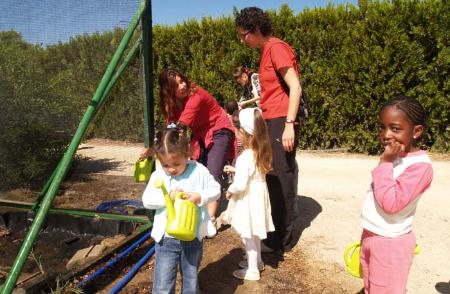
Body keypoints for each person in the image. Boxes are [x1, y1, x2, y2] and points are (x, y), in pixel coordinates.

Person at [235, 7, 302, 252]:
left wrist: (288, 125)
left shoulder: (276, 48)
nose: (242, 40)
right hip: (272, 119)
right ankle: (274, 236)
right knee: (272, 175)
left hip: (282, 120)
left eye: (244, 35)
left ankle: (281, 241)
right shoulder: (265, 52)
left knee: (282, 177)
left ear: (256, 30)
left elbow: (295, 87)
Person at [360, 96, 433, 293]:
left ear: (416, 131)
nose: (386, 134)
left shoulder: (420, 166)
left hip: (391, 244)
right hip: (372, 235)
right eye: (382, 127)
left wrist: (385, 162)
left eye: (395, 128)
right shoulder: (397, 156)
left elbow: (391, 204)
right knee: (370, 287)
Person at [142, 128, 220, 293]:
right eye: (165, 165)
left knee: (190, 279)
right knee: (163, 282)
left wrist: (200, 196)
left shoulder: (199, 171)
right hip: (166, 239)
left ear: (187, 154)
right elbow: (147, 200)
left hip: (192, 237)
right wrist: (168, 196)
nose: (171, 169)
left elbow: (216, 190)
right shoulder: (158, 176)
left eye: (176, 164)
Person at [156, 68, 235, 228]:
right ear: (168, 90)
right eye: (176, 85)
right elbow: (171, 125)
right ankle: (198, 209)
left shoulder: (195, 94)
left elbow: (181, 126)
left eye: (182, 81)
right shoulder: (171, 103)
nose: (182, 86)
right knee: (197, 171)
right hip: (200, 134)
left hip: (218, 129)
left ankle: (210, 220)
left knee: (212, 172)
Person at [223, 107, 275, 281]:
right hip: (258, 197)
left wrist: (230, 191)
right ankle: (258, 262)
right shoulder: (260, 152)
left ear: (245, 132)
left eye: (238, 130)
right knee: (255, 233)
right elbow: (251, 173)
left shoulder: (245, 156)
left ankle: (252, 270)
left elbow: (241, 184)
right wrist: (236, 169)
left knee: (248, 235)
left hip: (249, 199)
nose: (236, 134)